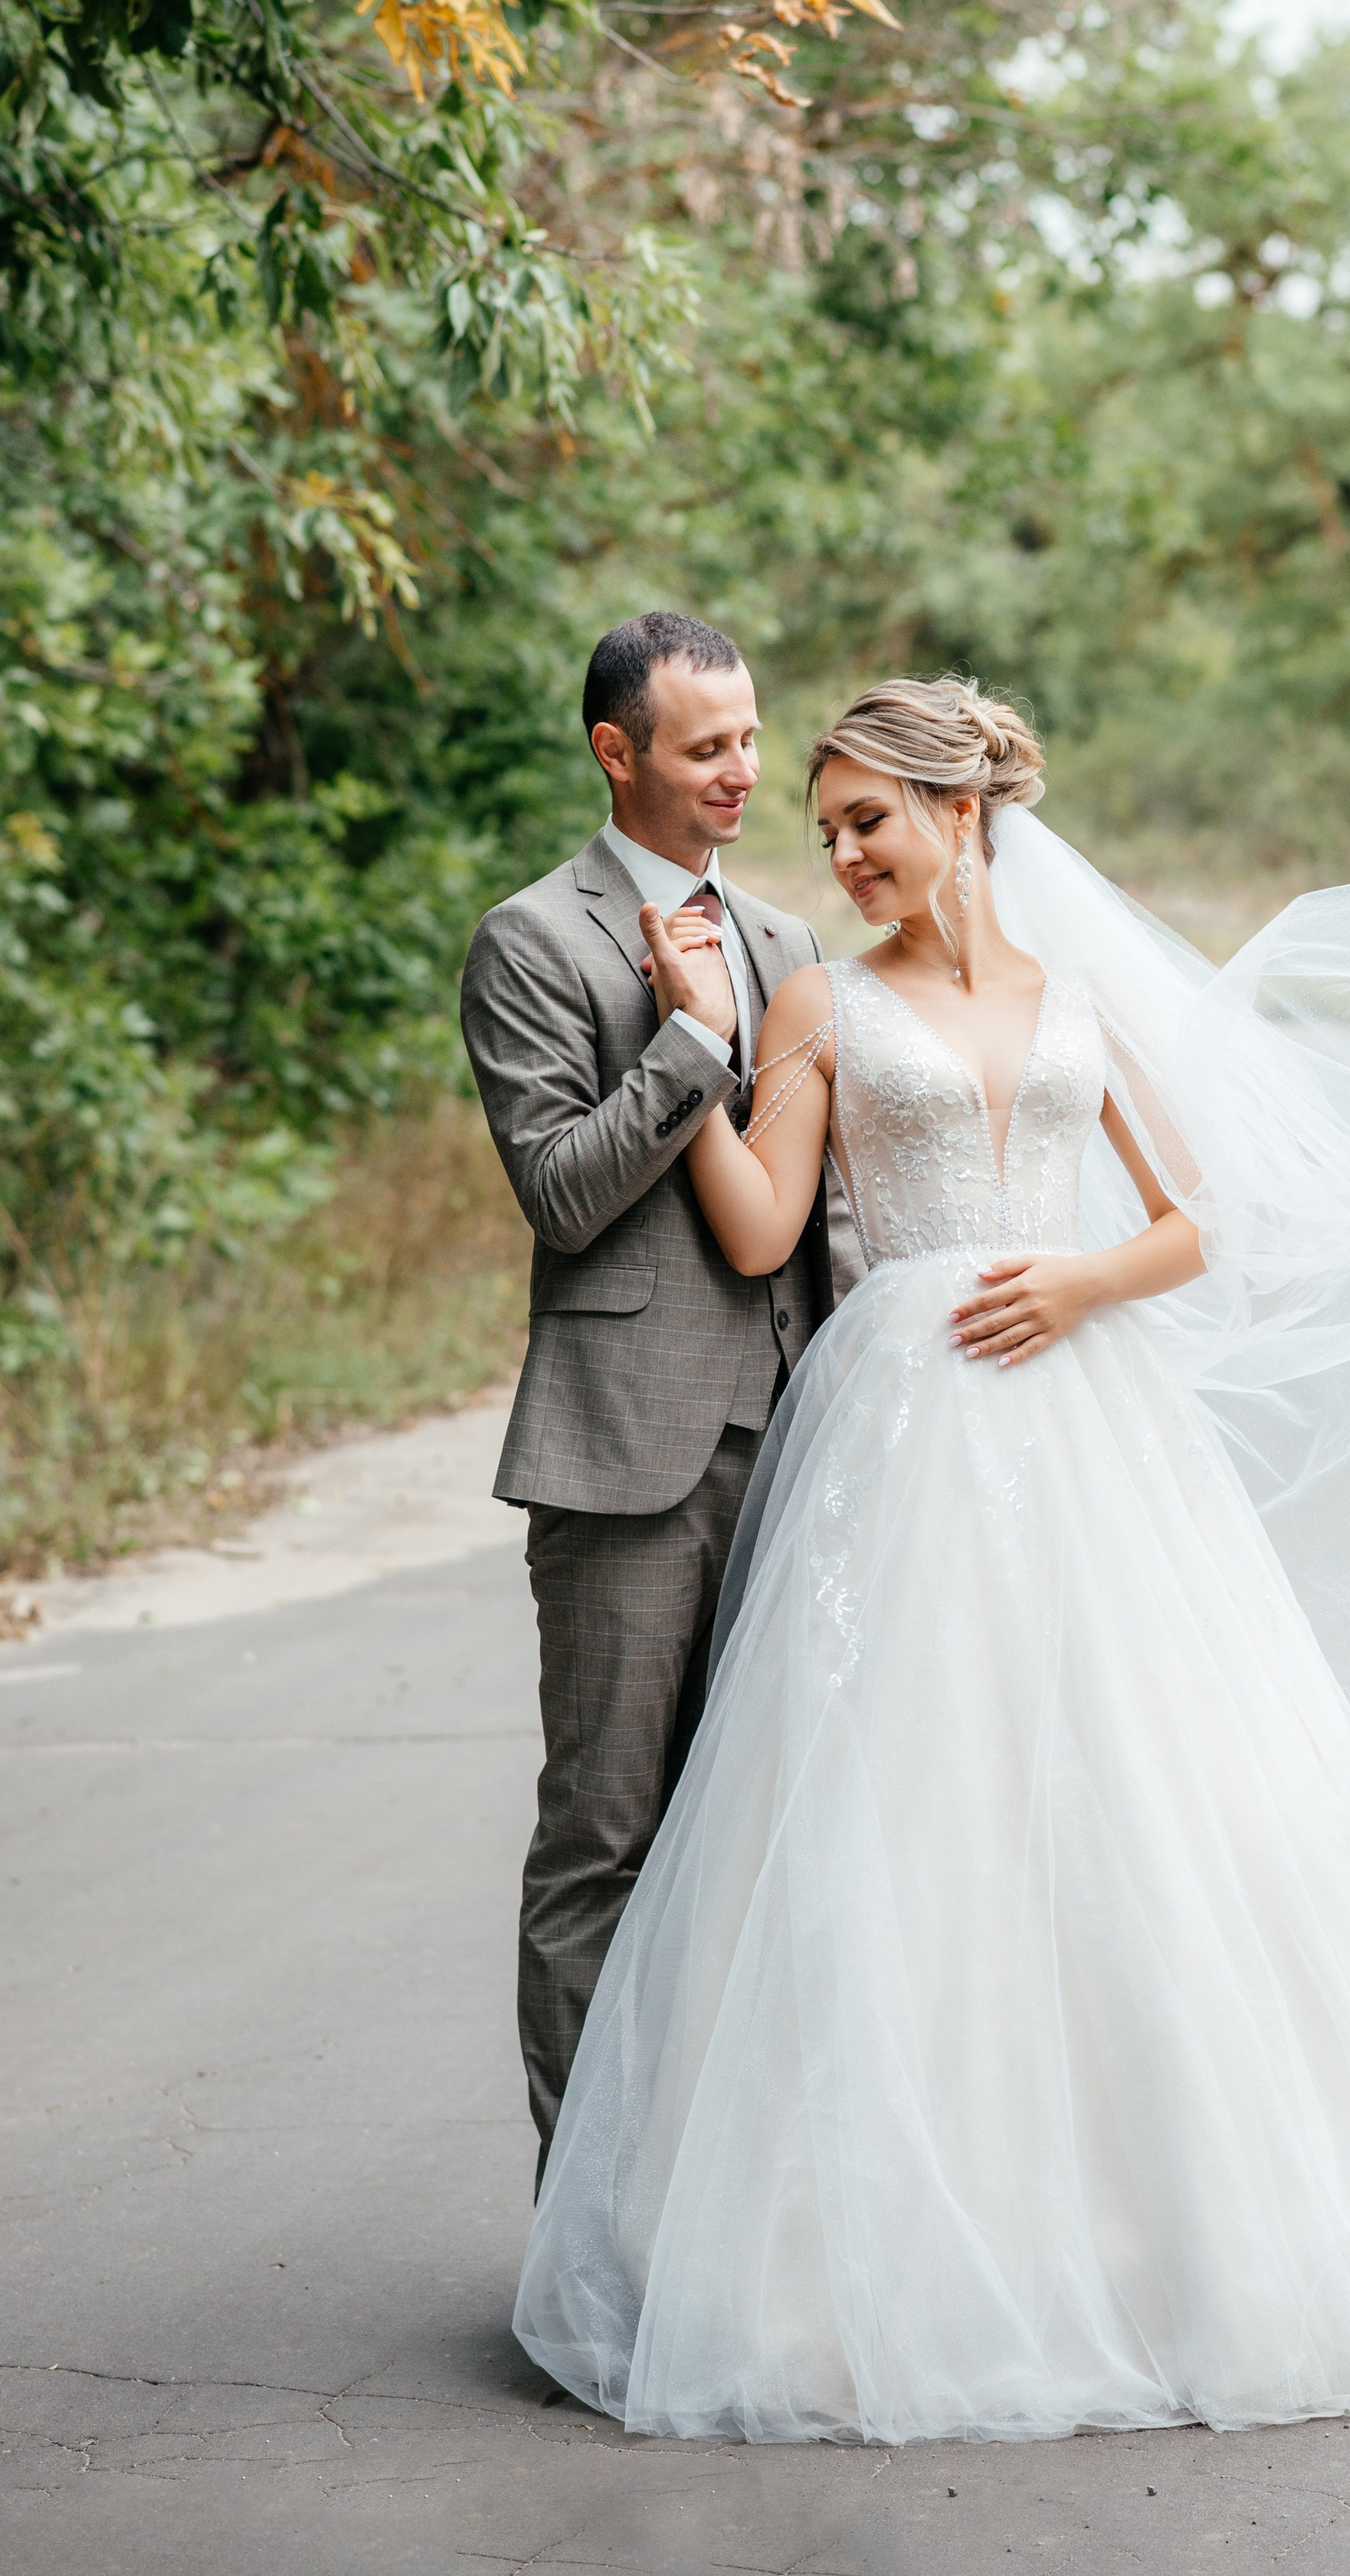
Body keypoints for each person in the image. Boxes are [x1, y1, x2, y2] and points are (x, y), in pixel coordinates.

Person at [514, 674, 1350, 2440]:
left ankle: (1182, 2226)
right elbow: (759, 1224)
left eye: (868, 818)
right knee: (909, 1809)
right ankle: (864, 2238)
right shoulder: (812, 1000)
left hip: (1080, 1399)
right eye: (827, 830)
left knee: (1149, 1788)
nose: (844, 854)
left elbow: (1195, 1221)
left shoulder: (1078, 993)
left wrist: (1083, 1279)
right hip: (902, 1415)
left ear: (963, 813)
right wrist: (687, 1038)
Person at [460, 611, 848, 2180]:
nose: (741, 772)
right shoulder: (533, 941)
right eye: (706, 747)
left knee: (757, 1845)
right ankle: (589, 2232)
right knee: (603, 1846)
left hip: (799, 1444)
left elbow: (814, 1209)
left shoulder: (788, 942)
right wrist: (687, 1039)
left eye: (751, 738)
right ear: (615, 752)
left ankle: (722, 2219)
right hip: (623, 1456)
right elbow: (558, 1192)